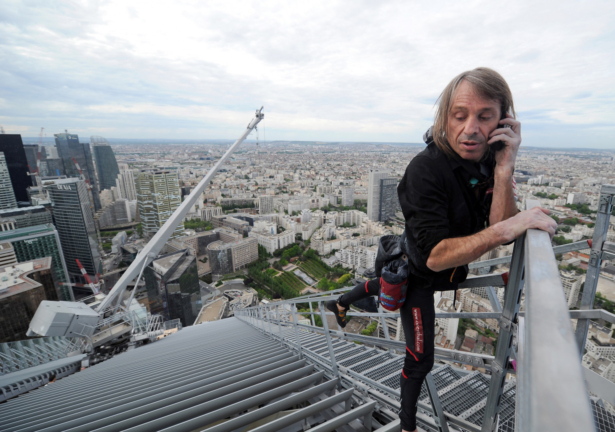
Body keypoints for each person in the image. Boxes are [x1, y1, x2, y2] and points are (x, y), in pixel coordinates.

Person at [326, 67, 557, 432]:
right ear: (445, 118)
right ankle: (406, 426)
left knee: (383, 285)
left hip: (449, 270)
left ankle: (338, 302)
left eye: (485, 117)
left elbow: (500, 228)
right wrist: (507, 228)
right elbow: (438, 255)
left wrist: (503, 170)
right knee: (419, 359)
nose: (471, 128)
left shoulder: (485, 163)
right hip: (422, 273)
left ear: (504, 121)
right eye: (460, 115)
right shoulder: (426, 170)